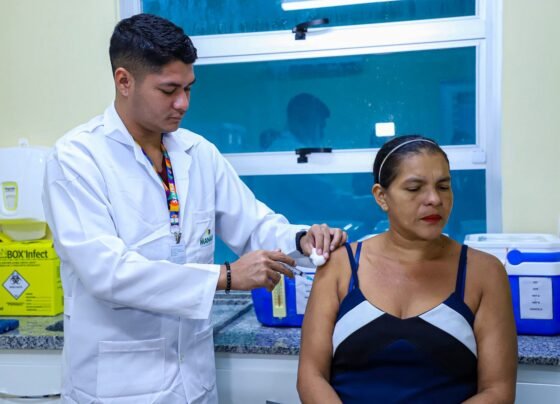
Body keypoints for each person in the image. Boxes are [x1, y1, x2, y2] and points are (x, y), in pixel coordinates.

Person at [42, 14, 346, 404]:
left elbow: (253, 225)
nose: (183, 103)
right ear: (124, 81)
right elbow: (108, 273)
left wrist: (302, 239)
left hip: (194, 382)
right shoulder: (77, 159)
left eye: (188, 88)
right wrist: (225, 277)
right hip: (120, 387)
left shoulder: (197, 152)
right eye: (168, 90)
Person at [297, 135, 517, 403]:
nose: (434, 199)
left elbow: (498, 391)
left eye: (444, 186)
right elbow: (311, 376)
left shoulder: (484, 272)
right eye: (414, 188)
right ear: (381, 197)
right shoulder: (339, 267)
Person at [264, 92, 330, 151]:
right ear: (299, 121)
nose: (324, 124)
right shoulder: (288, 149)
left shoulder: (303, 147)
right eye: (318, 122)